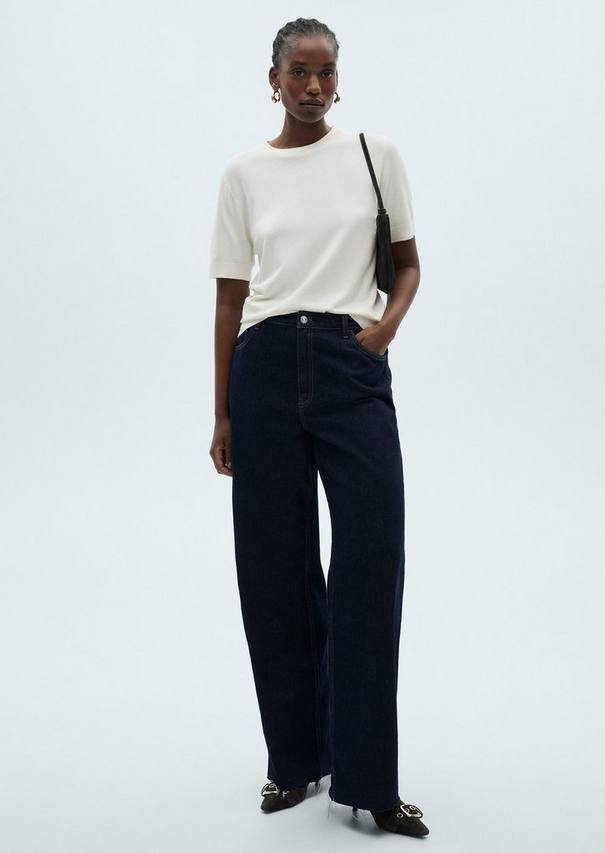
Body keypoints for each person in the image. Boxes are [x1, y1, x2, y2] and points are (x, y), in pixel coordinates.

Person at [208, 17, 428, 839]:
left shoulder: (375, 155)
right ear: (272, 80)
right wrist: (223, 409)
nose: (311, 86)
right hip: (263, 367)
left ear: (339, 79)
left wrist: (384, 330)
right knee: (275, 568)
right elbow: (230, 298)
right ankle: (295, 759)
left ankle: (370, 780)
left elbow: (408, 262)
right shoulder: (244, 174)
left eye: (324, 72)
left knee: (372, 557)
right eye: (297, 72)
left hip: (349, 363)